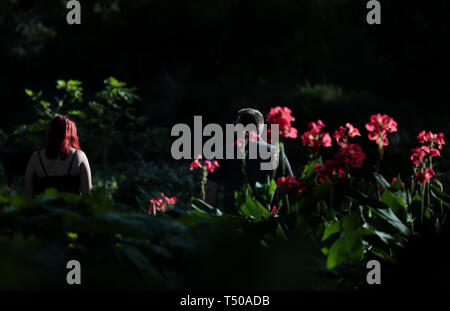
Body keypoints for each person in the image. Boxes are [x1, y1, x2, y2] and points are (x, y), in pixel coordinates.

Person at [205, 108, 294, 213]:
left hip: (233, 221)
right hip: (268, 222)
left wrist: (210, 218)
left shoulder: (223, 152)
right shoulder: (276, 152)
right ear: (260, 129)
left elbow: (211, 187)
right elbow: (290, 187)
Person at [25, 115, 92, 198]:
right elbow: (88, 194)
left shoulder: (36, 157)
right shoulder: (79, 156)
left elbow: (28, 194)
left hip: (46, 209)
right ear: (72, 134)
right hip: (71, 210)